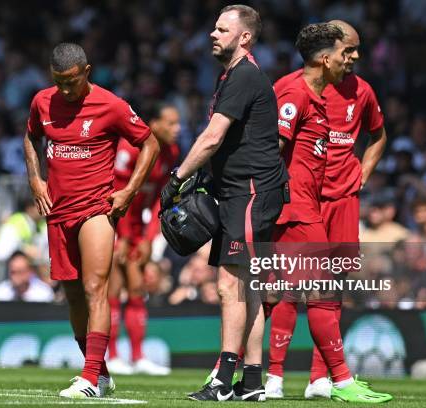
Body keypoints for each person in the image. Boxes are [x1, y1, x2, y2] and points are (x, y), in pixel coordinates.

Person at [161, 5, 288, 401]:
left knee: (229, 284)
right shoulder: (234, 74)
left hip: (251, 193)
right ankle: (251, 383)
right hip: (242, 192)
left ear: (244, 37)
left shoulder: (244, 75)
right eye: (213, 28)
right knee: (246, 287)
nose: (212, 34)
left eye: (222, 29)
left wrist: (177, 177)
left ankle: (222, 380)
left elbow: (213, 137)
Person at [24, 42, 160, 399]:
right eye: (59, 82)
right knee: (72, 296)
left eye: (71, 81)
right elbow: (30, 136)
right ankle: (99, 372)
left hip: (95, 210)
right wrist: (35, 179)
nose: (65, 89)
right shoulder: (42, 102)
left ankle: (87, 379)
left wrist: (129, 191)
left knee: (94, 288)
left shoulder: (111, 105)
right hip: (57, 212)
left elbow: (150, 143)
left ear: (87, 72)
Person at [267, 22, 392, 402]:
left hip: (340, 199)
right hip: (303, 201)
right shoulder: (297, 89)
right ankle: (272, 374)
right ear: (329, 53)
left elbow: (379, 135)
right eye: (349, 49)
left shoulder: (361, 92)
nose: (354, 57)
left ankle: (319, 378)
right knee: (289, 288)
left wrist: (360, 176)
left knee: (329, 290)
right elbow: (272, 148)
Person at [107, 102, 180, 376]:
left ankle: (138, 356)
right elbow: (117, 193)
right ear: (154, 123)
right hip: (113, 221)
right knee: (113, 286)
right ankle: (111, 355)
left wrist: (148, 238)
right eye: (171, 123)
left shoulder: (170, 152)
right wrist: (124, 235)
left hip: (137, 227)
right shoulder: (129, 148)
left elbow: (161, 199)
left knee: (137, 286)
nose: (177, 129)